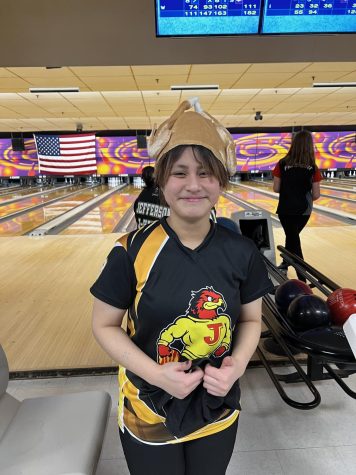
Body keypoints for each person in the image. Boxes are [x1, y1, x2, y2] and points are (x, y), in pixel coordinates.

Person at [90, 98, 273, 475]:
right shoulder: (130, 252)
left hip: (216, 405)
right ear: (161, 179)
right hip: (148, 404)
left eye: (205, 173)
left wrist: (236, 366)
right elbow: (104, 325)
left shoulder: (242, 251)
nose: (193, 185)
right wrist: (157, 375)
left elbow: (252, 321)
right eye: (180, 173)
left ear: (221, 180)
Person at [272, 130, 322, 280]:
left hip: (285, 209)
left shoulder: (282, 163)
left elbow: (276, 188)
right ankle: (303, 278)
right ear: (309, 146)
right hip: (304, 211)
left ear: (293, 145)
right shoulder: (313, 167)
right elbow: (316, 195)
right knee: (294, 239)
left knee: (292, 238)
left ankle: (290, 268)